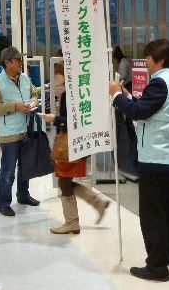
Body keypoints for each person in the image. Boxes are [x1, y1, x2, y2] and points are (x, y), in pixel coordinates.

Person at [109, 38, 169, 282]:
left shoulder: (160, 82)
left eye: (148, 59)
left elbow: (139, 112)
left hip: (156, 157)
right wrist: (128, 96)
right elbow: (151, 110)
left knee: (153, 214)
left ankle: (156, 267)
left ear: (160, 60)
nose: (145, 64)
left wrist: (115, 97)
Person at [41, 92, 110, 234]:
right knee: (65, 182)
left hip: (70, 146)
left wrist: (55, 119)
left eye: (58, 74)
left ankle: (72, 223)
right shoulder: (83, 91)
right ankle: (97, 204)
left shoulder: (71, 93)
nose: (56, 78)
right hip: (79, 144)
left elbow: (73, 122)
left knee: (64, 182)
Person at [0, 46, 40, 217]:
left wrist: (33, 103)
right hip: (9, 133)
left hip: (27, 130)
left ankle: (23, 195)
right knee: (8, 171)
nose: (20, 63)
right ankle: (3, 203)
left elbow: (33, 94)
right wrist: (15, 106)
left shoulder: (25, 78)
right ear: (7, 62)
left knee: (25, 167)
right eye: (17, 60)